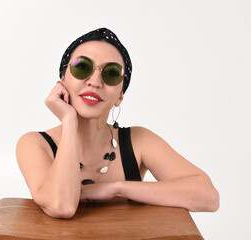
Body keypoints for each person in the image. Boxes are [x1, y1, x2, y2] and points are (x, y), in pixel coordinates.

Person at [16, 28, 219, 219]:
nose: (95, 81)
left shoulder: (139, 140)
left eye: (111, 73)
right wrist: (68, 121)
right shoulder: (34, 144)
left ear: (120, 95)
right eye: (82, 67)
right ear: (61, 81)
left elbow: (208, 197)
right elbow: (62, 206)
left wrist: (116, 188)